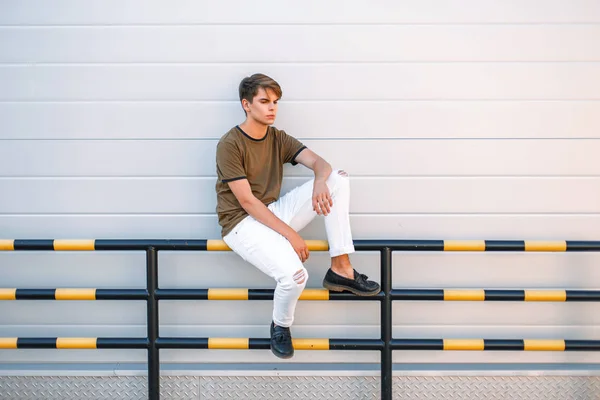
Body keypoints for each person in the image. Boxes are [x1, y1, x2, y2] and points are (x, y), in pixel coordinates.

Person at [215, 73, 381, 359]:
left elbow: (320, 162)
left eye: (276, 102)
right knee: (295, 276)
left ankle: (341, 268)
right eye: (264, 101)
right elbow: (247, 202)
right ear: (246, 104)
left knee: (337, 179)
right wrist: (291, 235)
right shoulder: (230, 144)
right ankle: (281, 326)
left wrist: (319, 181)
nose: (272, 108)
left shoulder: (277, 137)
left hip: (271, 213)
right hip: (241, 224)